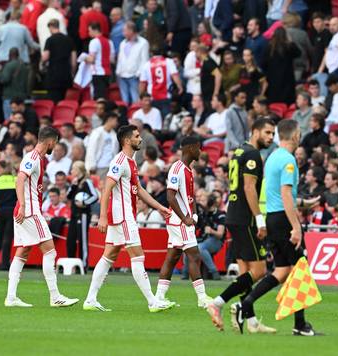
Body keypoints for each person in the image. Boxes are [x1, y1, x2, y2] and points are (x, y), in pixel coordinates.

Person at [235, 120, 320, 336]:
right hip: (283, 220)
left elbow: (279, 194)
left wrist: (304, 203)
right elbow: (284, 195)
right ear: (295, 135)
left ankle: (247, 303)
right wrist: (296, 227)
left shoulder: (272, 157)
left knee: (282, 270)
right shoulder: (289, 161)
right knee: (301, 267)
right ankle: (300, 325)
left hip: (272, 217)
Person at [83, 125, 171, 312]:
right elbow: (106, 188)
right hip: (122, 216)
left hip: (122, 215)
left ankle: (90, 299)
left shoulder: (131, 162)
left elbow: (139, 190)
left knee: (108, 256)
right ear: (126, 140)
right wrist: (102, 217)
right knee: (138, 257)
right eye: (137, 136)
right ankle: (152, 302)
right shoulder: (120, 161)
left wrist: (160, 207)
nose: (140, 139)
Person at [206, 118, 276, 332]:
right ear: (255, 131)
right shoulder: (253, 155)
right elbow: (249, 188)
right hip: (245, 218)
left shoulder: (238, 151)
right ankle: (217, 302)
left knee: (245, 271)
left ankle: (251, 320)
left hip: (233, 215)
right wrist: (260, 219)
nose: (270, 137)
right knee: (259, 270)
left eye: (272, 134)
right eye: (267, 132)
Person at [5, 126, 79, 308]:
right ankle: (55, 296)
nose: (55, 146)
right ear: (51, 141)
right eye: (56, 143)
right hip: (29, 210)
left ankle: (11, 297)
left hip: (25, 210)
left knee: (22, 252)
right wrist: (23, 205)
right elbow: (19, 179)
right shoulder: (33, 157)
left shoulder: (37, 158)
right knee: (50, 251)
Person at [155, 136, 212, 309]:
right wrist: (185, 218)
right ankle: (202, 298)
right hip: (179, 221)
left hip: (181, 220)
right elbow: (170, 196)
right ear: (189, 148)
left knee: (172, 257)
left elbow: (189, 196)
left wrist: (193, 213)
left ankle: (159, 296)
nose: (200, 151)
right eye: (198, 147)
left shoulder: (188, 169)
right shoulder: (177, 168)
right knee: (194, 255)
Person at [66, 161, 98, 268]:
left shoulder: (87, 182)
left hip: (83, 215)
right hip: (73, 214)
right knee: (70, 239)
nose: (71, 171)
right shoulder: (75, 182)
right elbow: (68, 196)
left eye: (73, 169)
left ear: (78, 170)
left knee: (82, 240)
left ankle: (83, 265)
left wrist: (84, 203)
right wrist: (73, 186)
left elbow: (95, 196)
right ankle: (70, 265)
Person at [139, 47, 183, 119]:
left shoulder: (147, 64)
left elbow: (142, 82)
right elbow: (174, 75)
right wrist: (179, 86)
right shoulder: (168, 61)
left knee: (155, 117)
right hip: (166, 95)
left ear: (151, 53)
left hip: (152, 96)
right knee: (166, 117)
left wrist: (141, 95)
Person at [262, 27, 301, 105]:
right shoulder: (289, 46)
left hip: (273, 80)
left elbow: (263, 64)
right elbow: (298, 53)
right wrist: (290, 41)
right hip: (287, 79)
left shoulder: (269, 48)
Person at [41, 19, 76, 103]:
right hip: (65, 74)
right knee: (62, 99)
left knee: (52, 101)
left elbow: (45, 57)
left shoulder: (50, 40)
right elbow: (74, 61)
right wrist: (72, 73)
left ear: (50, 27)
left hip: (53, 74)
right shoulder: (69, 40)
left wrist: (42, 64)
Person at [0, 161, 17, 270]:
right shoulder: (15, 180)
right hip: (12, 211)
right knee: (8, 237)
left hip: (1, 210)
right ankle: (4, 264)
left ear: (2, 169)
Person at [116, 21, 149, 105]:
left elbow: (144, 60)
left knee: (135, 99)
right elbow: (120, 58)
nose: (123, 33)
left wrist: (139, 73)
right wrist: (118, 71)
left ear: (131, 31)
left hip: (134, 76)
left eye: (125, 30)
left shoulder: (143, 43)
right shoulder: (123, 43)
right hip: (122, 75)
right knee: (124, 100)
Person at [84, 113, 119, 178]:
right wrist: (91, 165)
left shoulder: (114, 135)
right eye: (116, 121)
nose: (117, 123)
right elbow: (91, 149)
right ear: (110, 120)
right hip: (99, 166)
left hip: (110, 166)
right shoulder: (97, 132)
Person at [85, 22, 114, 100]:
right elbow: (112, 59)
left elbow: (91, 59)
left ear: (95, 30)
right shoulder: (109, 42)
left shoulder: (94, 42)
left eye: (90, 31)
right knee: (104, 95)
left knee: (98, 97)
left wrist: (84, 58)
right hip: (107, 72)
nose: (89, 33)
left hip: (97, 72)